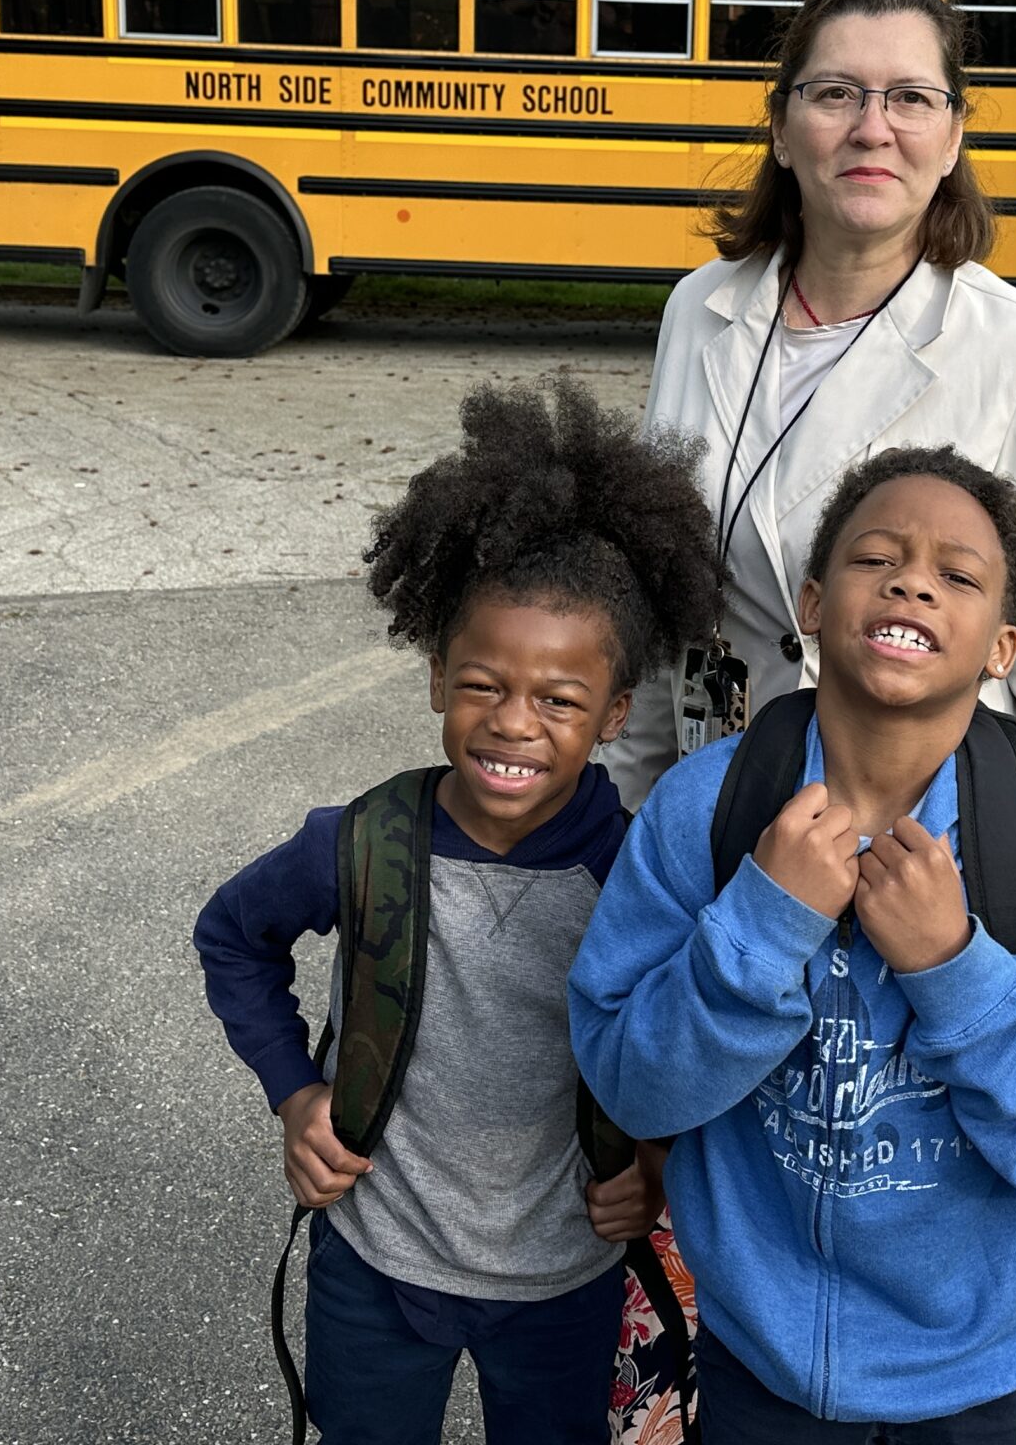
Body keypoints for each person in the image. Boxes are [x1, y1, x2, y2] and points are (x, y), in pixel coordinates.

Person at [569, 447, 1016, 1441]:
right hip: (762, 1368)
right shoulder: (706, 811)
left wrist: (957, 972)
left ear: (1002, 648)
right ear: (811, 604)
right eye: (875, 559)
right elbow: (628, 1083)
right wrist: (764, 924)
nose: (911, 583)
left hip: (991, 1379)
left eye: (958, 575)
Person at [192, 378, 721, 1445]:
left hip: (568, 1274)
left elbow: (698, 1040)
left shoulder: (643, 875)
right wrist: (295, 1094)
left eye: (560, 700)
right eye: (484, 684)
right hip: (375, 1263)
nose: (514, 722)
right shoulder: (358, 844)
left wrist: (658, 1167)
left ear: (616, 713)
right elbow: (231, 937)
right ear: (438, 676)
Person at [606, 0, 1016, 836]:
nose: (872, 128)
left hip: (916, 844)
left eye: (912, 98)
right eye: (836, 93)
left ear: (953, 139)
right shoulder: (700, 310)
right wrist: (632, 819)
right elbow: (663, 604)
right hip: (714, 806)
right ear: (782, 127)